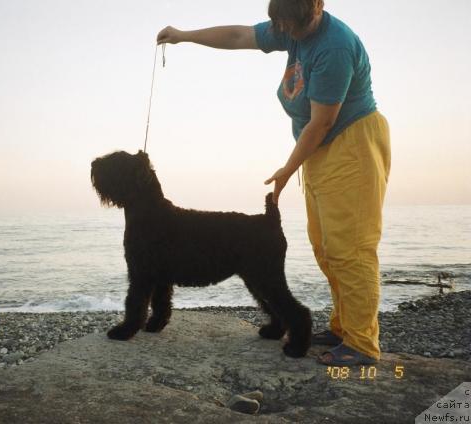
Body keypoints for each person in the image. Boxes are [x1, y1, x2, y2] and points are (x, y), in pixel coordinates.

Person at [157, 0, 391, 366]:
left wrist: (286, 169)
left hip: (351, 145)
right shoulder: (290, 25)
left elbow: (321, 123)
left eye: (293, 26)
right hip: (320, 149)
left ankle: (362, 344)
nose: (287, 33)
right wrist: (184, 37)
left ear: (317, 7)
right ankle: (344, 326)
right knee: (326, 247)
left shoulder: (335, 46)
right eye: (280, 25)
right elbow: (239, 35)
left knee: (351, 248)